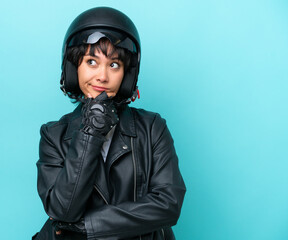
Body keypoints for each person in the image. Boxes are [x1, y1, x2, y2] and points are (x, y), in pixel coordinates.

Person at [33, 7, 186, 240]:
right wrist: (90, 133)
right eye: (92, 61)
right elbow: (63, 210)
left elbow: (168, 204)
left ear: (127, 74)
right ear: (74, 68)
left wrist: (89, 226)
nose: (102, 76)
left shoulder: (153, 127)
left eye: (114, 65)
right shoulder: (53, 135)